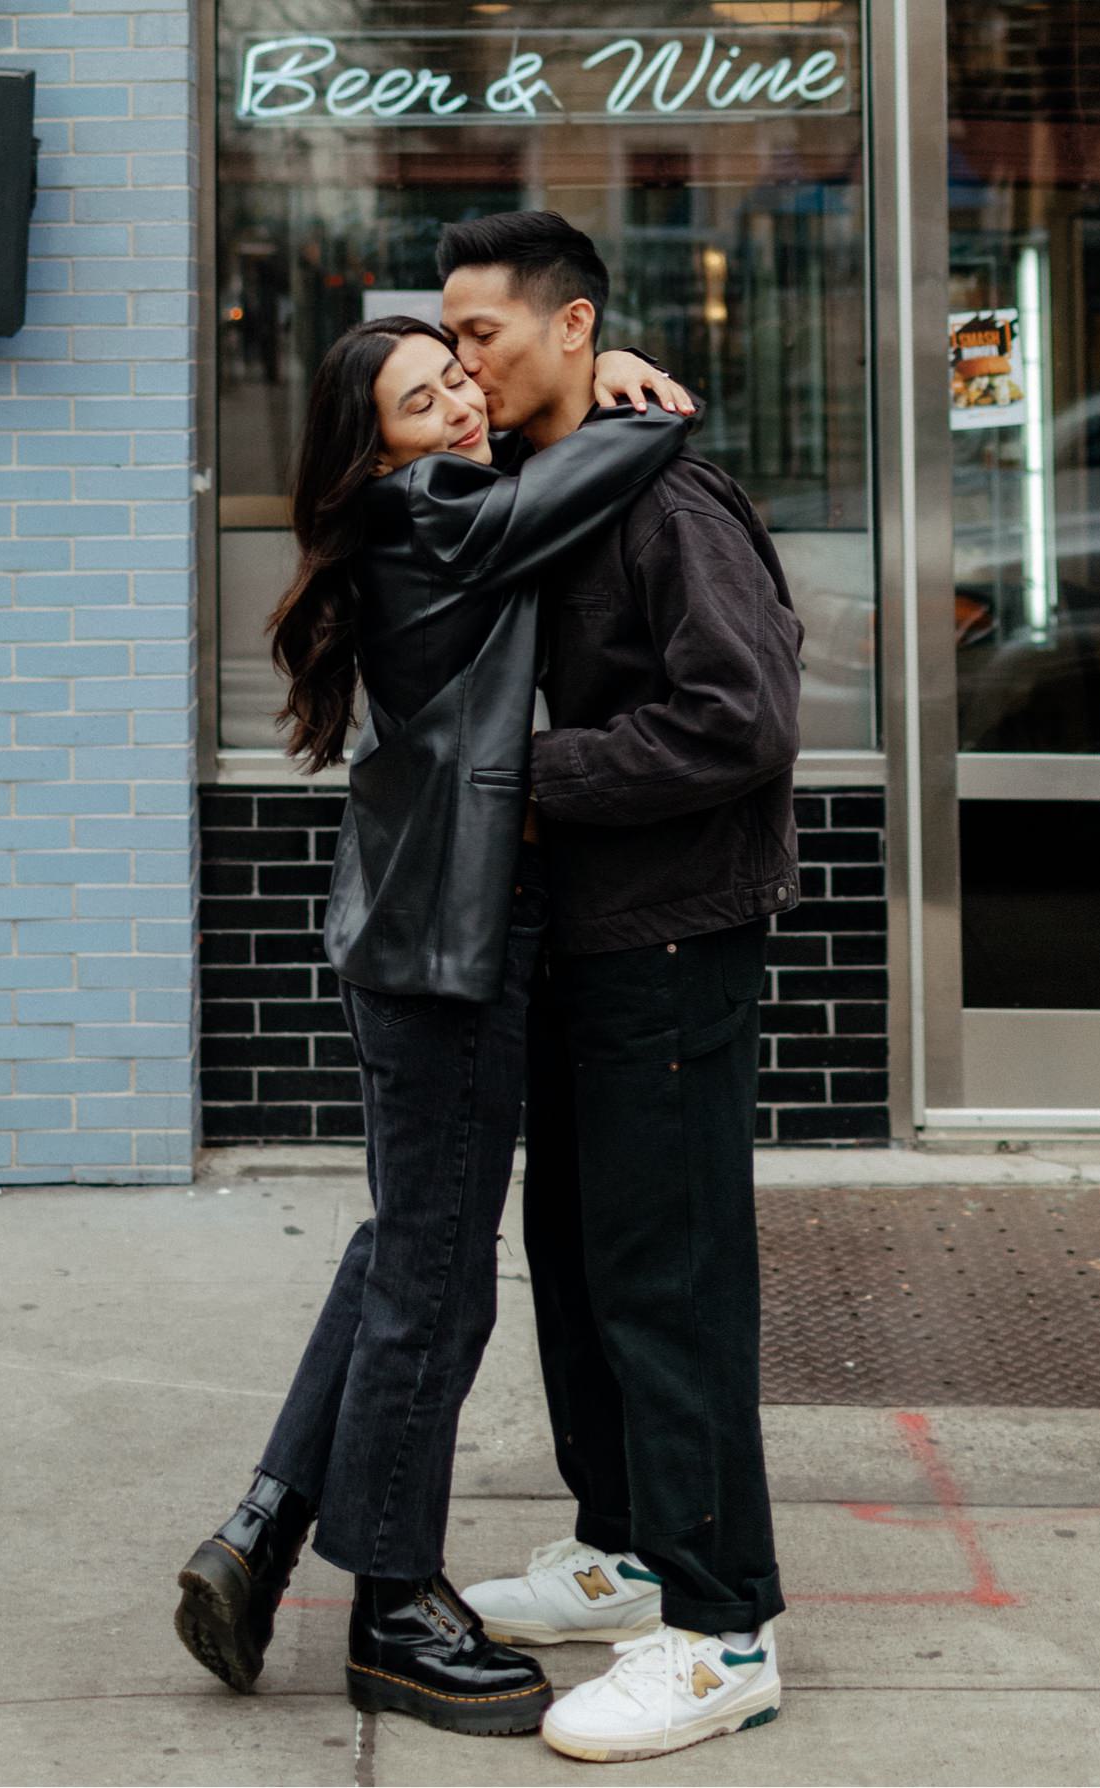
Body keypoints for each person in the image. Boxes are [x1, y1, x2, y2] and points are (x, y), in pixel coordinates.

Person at [172, 314, 700, 1735]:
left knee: (403, 1243)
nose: (463, 404)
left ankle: (270, 1521)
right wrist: (629, 395)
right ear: (380, 450)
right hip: (448, 949)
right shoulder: (434, 512)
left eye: (458, 377)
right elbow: (592, 471)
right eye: (424, 399)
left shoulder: (418, 518)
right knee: (436, 1280)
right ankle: (393, 1608)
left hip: (429, 936)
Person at [434, 211, 804, 1764]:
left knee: (668, 1284)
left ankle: (722, 1632)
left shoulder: (668, 496)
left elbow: (743, 721)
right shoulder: (537, 482)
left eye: (485, 336)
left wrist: (524, 779)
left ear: (574, 326)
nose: (463, 364)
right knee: (581, 1267)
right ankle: (629, 1550)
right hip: (573, 950)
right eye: (447, 338)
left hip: (667, 940)